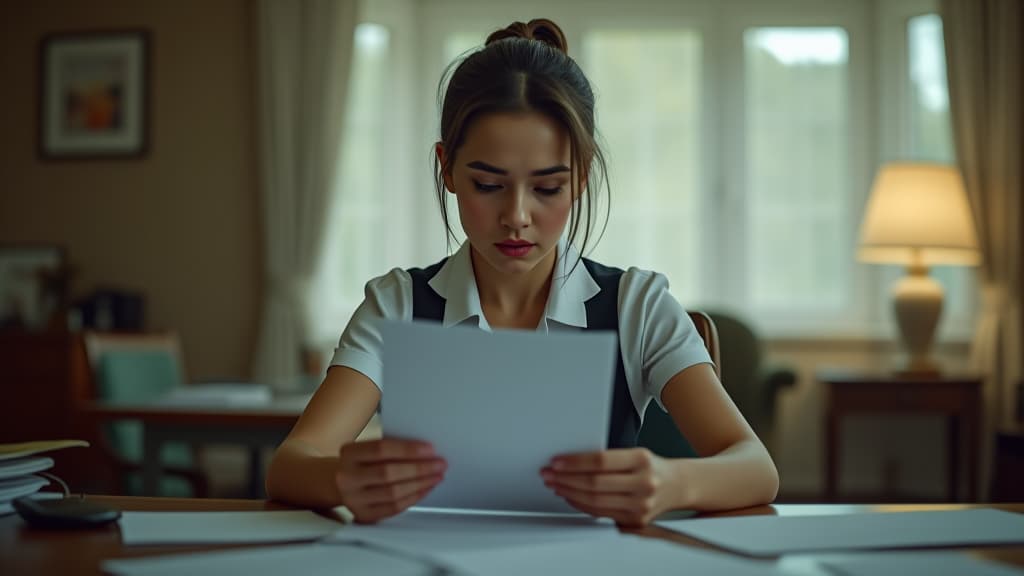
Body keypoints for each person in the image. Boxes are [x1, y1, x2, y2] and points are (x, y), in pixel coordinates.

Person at [266, 18, 779, 527]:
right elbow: (291, 464)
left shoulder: (637, 305)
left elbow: (755, 468)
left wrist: (673, 483)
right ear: (446, 167)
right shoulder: (396, 304)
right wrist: (342, 479)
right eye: (488, 185)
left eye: (548, 188)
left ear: (581, 174)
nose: (517, 216)